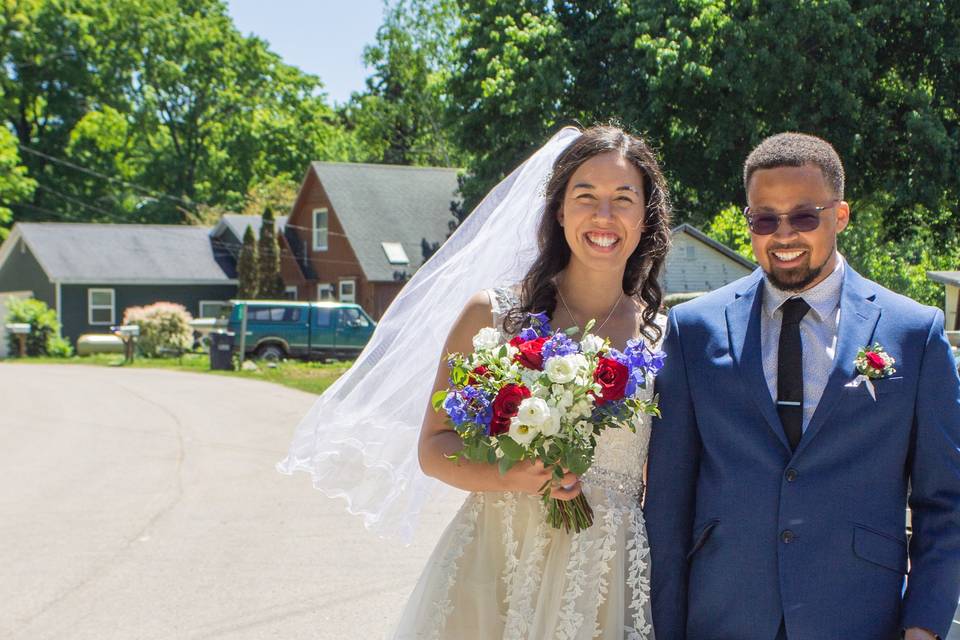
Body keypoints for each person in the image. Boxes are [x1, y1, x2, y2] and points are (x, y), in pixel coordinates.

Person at [644, 132, 960, 640]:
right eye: (764, 219)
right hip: (724, 614)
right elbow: (667, 504)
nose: (783, 234)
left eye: (804, 217)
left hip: (858, 616)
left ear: (840, 216)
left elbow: (946, 501)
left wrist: (923, 625)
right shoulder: (693, 329)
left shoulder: (914, 333)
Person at [390, 124, 672, 639]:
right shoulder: (492, 316)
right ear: (560, 210)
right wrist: (511, 475)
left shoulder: (662, 339)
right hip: (497, 559)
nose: (603, 216)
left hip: (603, 576)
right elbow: (434, 448)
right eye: (585, 196)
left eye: (623, 199)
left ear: (645, 215)